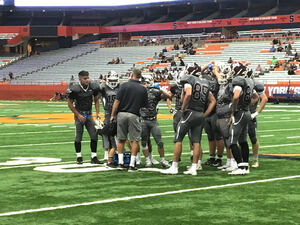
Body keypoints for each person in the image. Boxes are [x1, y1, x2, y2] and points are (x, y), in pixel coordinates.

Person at [161, 69, 216, 176]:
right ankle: (194, 167)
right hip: (200, 113)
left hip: (190, 111)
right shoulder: (204, 82)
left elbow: (188, 94)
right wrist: (205, 114)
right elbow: (213, 101)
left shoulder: (189, 80)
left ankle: (174, 166)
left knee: (178, 138)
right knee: (196, 141)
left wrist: (183, 108)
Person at [110, 68, 148, 171]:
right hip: (134, 114)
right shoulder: (143, 88)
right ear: (140, 76)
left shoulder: (124, 85)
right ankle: (132, 164)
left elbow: (116, 101)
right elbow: (144, 105)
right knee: (134, 140)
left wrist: (113, 114)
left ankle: (120, 163)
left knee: (121, 139)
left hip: (121, 114)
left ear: (132, 75)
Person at [227, 66, 258, 175]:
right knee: (243, 141)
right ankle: (245, 166)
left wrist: (234, 110)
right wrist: (246, 104)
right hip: (246, 112)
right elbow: (256, 97)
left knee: (231, 141)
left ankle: (240, 166)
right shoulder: (249, 81)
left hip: (239, 113)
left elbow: (235, 97)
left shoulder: (238, 82)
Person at [67, 70, 102, 164]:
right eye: (85, 78)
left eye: (88, 78)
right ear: (80, 78)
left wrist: (97, 112)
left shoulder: (92, 87)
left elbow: (96, 100)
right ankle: (79, 156)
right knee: (79, 136)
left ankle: (93, 156)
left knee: (94, 135)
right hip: (79, 114)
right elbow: (69, 103)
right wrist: (78, 115)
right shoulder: (75, 89)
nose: (87, 80)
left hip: (89, 114)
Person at [140, 75, 171, 168]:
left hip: (153, 120)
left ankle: (162, 160)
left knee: (160, 142)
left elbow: (169, 96)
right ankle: (147, 160)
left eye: (147, 83)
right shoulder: (139, 93)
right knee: (144, 142)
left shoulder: (155, 92)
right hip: (143, 120)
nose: (145, 85)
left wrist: (161, 89)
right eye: (144, 83)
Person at [98, 71, 120, 164]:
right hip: (107, 113)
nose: (113, 82)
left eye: (115, 80)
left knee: (119, 133)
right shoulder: (103, 87)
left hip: (118, 113)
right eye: (111, 80)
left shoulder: (121, 87)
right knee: (106, 134)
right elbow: (96, 96)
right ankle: (106, 153)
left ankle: (119, 151)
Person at [248, 79, 268, 168]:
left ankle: (255, 159)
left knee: (253, 138)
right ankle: (240, 159)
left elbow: (264, 98)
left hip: (250, 115)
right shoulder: (236, 83)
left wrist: (256, 113)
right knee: (240, 139)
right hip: (239, 114)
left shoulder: (255, 84)